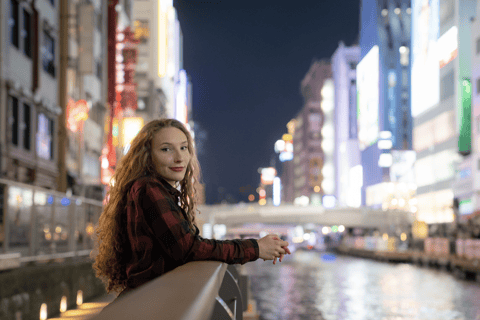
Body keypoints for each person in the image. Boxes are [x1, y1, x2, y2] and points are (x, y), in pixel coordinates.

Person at [91, 118, 290, 303]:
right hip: (150, 305)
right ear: (147, 156)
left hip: (146, 301)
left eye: (184, 148)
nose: (179, 158)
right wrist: (256, 248)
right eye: (166, 149)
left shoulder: (152, 189)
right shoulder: (150, 190)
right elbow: (189, 249)